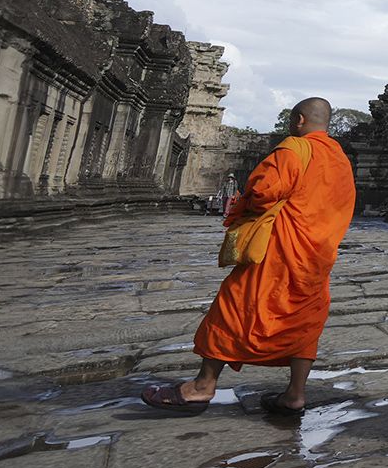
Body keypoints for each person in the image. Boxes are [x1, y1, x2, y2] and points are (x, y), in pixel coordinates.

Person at [142, 97, 356, 417]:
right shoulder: (340, 159)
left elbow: (262, 192)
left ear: (298, 120)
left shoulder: (294, 150)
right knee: (306, 319)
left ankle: (202, 386)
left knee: (234, 307)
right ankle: (295, 395)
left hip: (278, 252)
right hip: (317, 253)